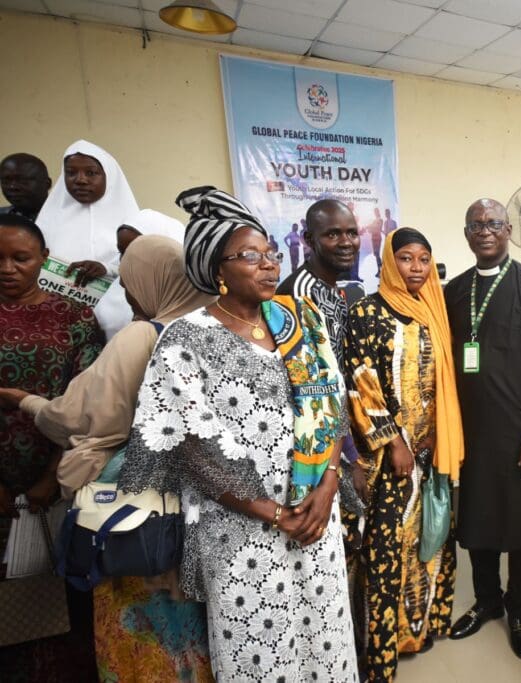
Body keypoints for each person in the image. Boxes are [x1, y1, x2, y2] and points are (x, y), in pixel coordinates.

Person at [117, 186, 359, 682]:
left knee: (327, 640)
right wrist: (273, 513)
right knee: (260, 651)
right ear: (215, 268)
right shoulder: (186, 338)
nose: (269, 265)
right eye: (251, 256)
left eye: (272, 253)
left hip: (316, 513)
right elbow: (192, 447)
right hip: (242, 532)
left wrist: (329, 482)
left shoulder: (302, 321)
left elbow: (332, 404)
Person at [1, 234, 216, 681]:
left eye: (130, 279)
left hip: (136, 510)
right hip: (206, 502)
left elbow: (83, 415)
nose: (127, 292)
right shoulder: (218, 329)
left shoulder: (143, 335)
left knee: (139, 621)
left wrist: (27, 401)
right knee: (196, 623)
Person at [445, 199, 521, 659]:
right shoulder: (455, 289)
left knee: (519, 528)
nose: (485, 230)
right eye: (476, 224)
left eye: (493, 223)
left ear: (509, 229)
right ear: (468, 233)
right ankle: (488, 601)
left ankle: (519, 609)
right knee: (478, 522)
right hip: (471, 433)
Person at [344, 227, 463, 681]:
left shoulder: (434, 310)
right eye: (407, 259)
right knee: (386, 548)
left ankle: (422, 628)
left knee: (429, 540)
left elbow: (442, 387)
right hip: (389, 458)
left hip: (430, 451)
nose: (416, 268)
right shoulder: (367, 312)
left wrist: (435, 437)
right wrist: (394, 441)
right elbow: (361, 380)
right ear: (391, 263)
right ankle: (381, 651)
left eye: (424, 260)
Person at [0, 213, 104, 682]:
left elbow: (89, 405)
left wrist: (51, 476)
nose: (7, 268)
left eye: (20, 258)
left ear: (43, 258)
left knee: (62, 599)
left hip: (57, 479)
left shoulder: (74, 316)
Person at [277, 199, 366, 529]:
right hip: (318, 453)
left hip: (337, 443)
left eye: (352, 233)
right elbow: (316, 390)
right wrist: (349, 457)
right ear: (308, 240)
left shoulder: (336, 289)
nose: (346, 242)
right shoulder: (299, 297)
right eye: (332, 234)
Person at [34, 140, 139, 339]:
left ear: (109, 176)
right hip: (58, 328)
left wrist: (106, 268)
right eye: (71, 173)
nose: (80, 180)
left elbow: (143, 270)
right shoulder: (48, 222)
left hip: (117, 327)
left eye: (91, 173)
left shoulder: (132, 221)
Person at [0, 153, 51, 221]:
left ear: (47, 184)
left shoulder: (65, 219)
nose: (12, 187)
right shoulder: (2, 217)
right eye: (6, 181)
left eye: (22, 180)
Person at [368, 208, 384, 275]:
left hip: (377, 238)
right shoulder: (374, 220)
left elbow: (378, 229)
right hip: (373, 238)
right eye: (374, 212)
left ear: (378, 212)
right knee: (376, 254)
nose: (375, 213)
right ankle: (379, 270)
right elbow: (370, 230)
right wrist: (371, 228)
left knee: (377, 254)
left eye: (376, 212)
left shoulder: (380, 220)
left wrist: (371, 228)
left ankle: (382, 270)